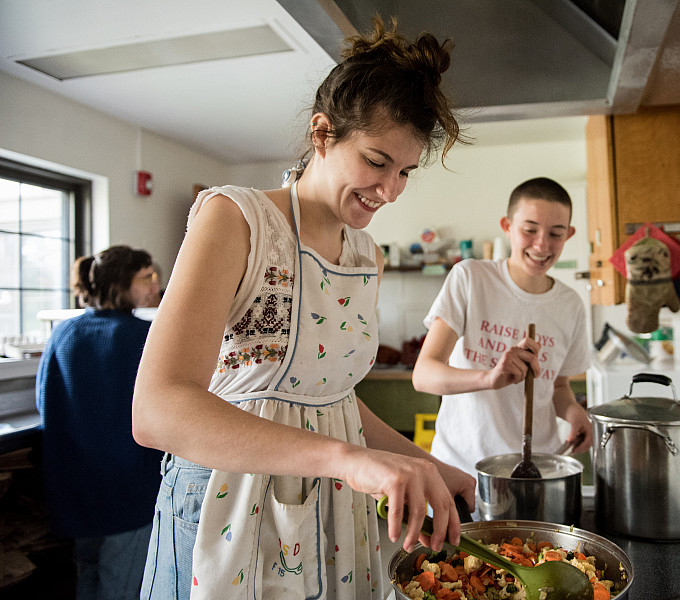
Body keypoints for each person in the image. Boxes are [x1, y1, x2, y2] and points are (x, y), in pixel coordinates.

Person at [131, 17, 475, 600]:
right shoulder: (236, 220)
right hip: (225, 504)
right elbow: (157, 411)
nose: (390, 190)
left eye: (405, 173)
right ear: (322, 134)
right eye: (376, 161)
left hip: (331, 521)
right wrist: (347, 461)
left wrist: (433, 468)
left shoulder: (366, 256)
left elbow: (331, 400)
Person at [412, 177, 594, 481]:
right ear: (507, 226)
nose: (541, 245)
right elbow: (424, 375)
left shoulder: (570, 304)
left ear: (569, 234)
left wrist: (575, 412)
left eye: (555, 234)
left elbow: (559, 387)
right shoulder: (470, 278)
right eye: (530, 230)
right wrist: (489, 378)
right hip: (462, 471)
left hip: (535, 473)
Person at [35, 245, 163, 600]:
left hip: (76, 489)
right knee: (121, 588)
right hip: (129, 493)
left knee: (87, 579)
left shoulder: (63, 334)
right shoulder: (144, 336)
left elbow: (46, 402)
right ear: (122, 283)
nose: (156, 285)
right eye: (147, 277)